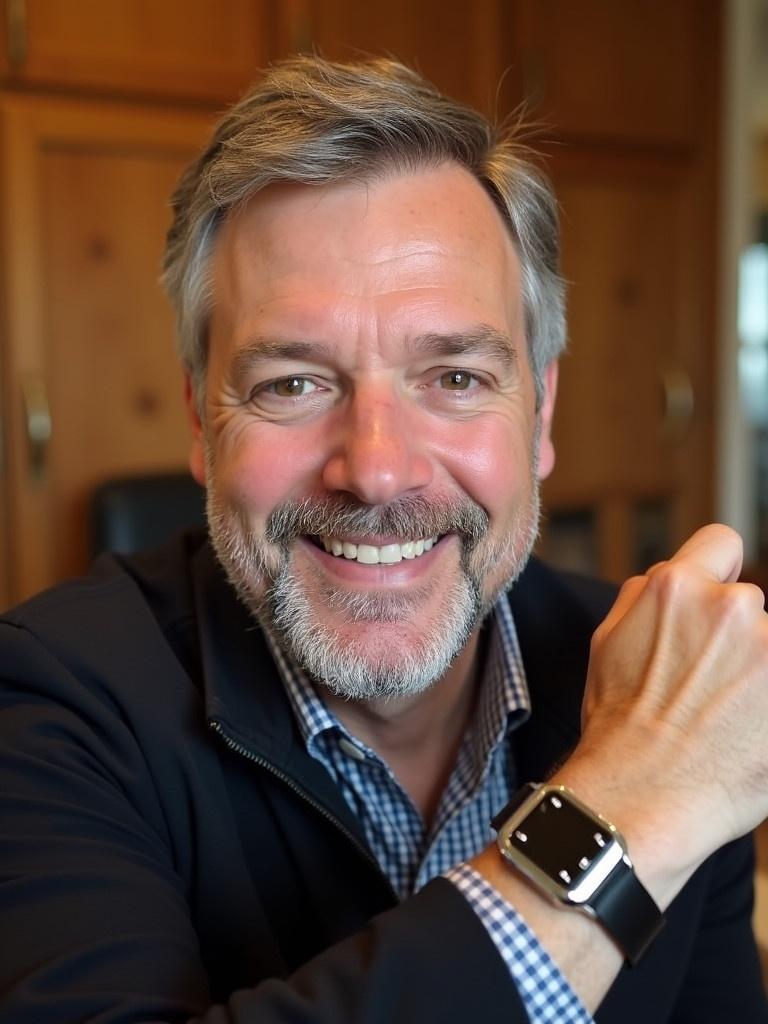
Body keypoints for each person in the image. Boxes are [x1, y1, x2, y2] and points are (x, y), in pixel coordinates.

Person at [0, 55, 767, 1024]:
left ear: (539, 415)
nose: (376, 468)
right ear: (201, 420)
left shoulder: (657, 687)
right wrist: (622, 811)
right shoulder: (46, 701)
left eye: (453, 377)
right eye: (292, 382)